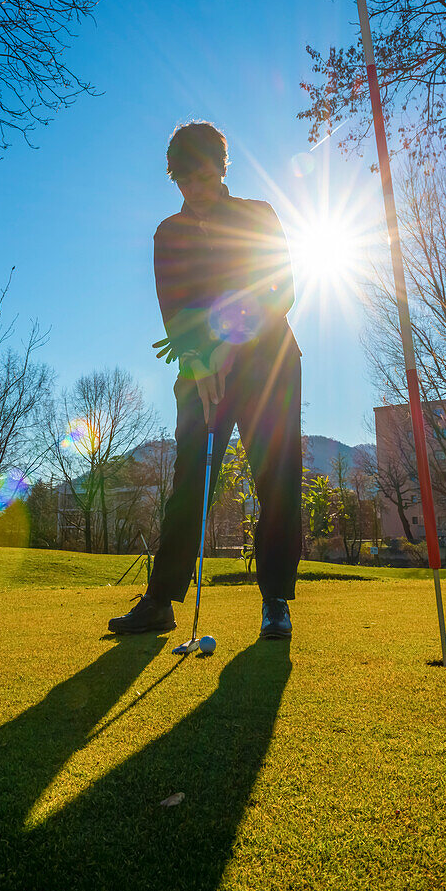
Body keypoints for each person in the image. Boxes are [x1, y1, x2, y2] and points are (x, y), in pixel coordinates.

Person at [108, 122, 302, 640]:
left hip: (270, 365)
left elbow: (280, 288)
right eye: (182, 181)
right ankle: (161, 601)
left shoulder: (257, 216)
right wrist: (196, 360)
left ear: (221, 168)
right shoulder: (168, 234)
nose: (193, 190)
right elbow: (175, 308)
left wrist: (227, 344)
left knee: (276, 480)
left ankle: (276, 600)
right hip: (201, 372)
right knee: (190, 477)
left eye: (200, 176)